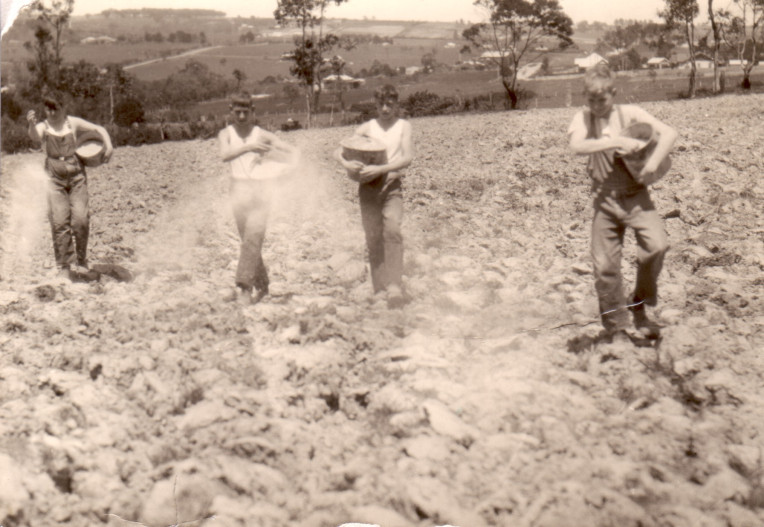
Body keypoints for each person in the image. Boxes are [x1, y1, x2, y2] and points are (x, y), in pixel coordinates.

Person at [567, 63, 677, 342]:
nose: (596, 105)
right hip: (604, 199)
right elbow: (577, 147)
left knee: (657, 246)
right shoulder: (582, 118)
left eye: (602, 99)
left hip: (636, 195)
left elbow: (669, 133)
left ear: (613, 93)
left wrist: (651, 165)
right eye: (590, 99)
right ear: (585, 96)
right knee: (604, 266)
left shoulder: (630, 114)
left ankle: (638, 302)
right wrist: (615, 141)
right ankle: (616, 328)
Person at [334, 84, 414, 308]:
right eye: (381, 104)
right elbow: (339, 150)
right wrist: (346, 162)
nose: (385, 109)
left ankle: (395, 286)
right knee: (373, 236)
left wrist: (381, 169)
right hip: (368, 188)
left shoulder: (403, 126)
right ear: (376, 105)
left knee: (392, 230)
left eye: (390, 104)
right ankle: (380, 288)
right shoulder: (368, 127)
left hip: (391, 185)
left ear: (396, 104)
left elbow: (407, 157)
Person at [218, 93, 297, 306]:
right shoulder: (226, 133)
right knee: (248, 241)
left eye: (246, 112)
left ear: (253, 111)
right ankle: (262, 283)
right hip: (238, 190)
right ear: (231, 111)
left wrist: (277, 161)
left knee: (253, 236)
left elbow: (294, 152)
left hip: (261, 190)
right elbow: (224, 155)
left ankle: (243, 287)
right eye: (238, 112)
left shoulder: (262, 134)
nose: (242, 116)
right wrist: (248, 148)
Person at [27, 93, 113, 280]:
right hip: (54, 178)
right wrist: (31, 124)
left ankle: (81, 261)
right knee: (59, 222)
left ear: (63, 107)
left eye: (55, 108)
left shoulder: (71, 123)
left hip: (76, 176)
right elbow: (35, 137)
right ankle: (64, 266)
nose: (51, 112)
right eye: (48, 109)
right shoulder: (44, 126)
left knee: (81, 219)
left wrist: (109, 145)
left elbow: (99, 129)